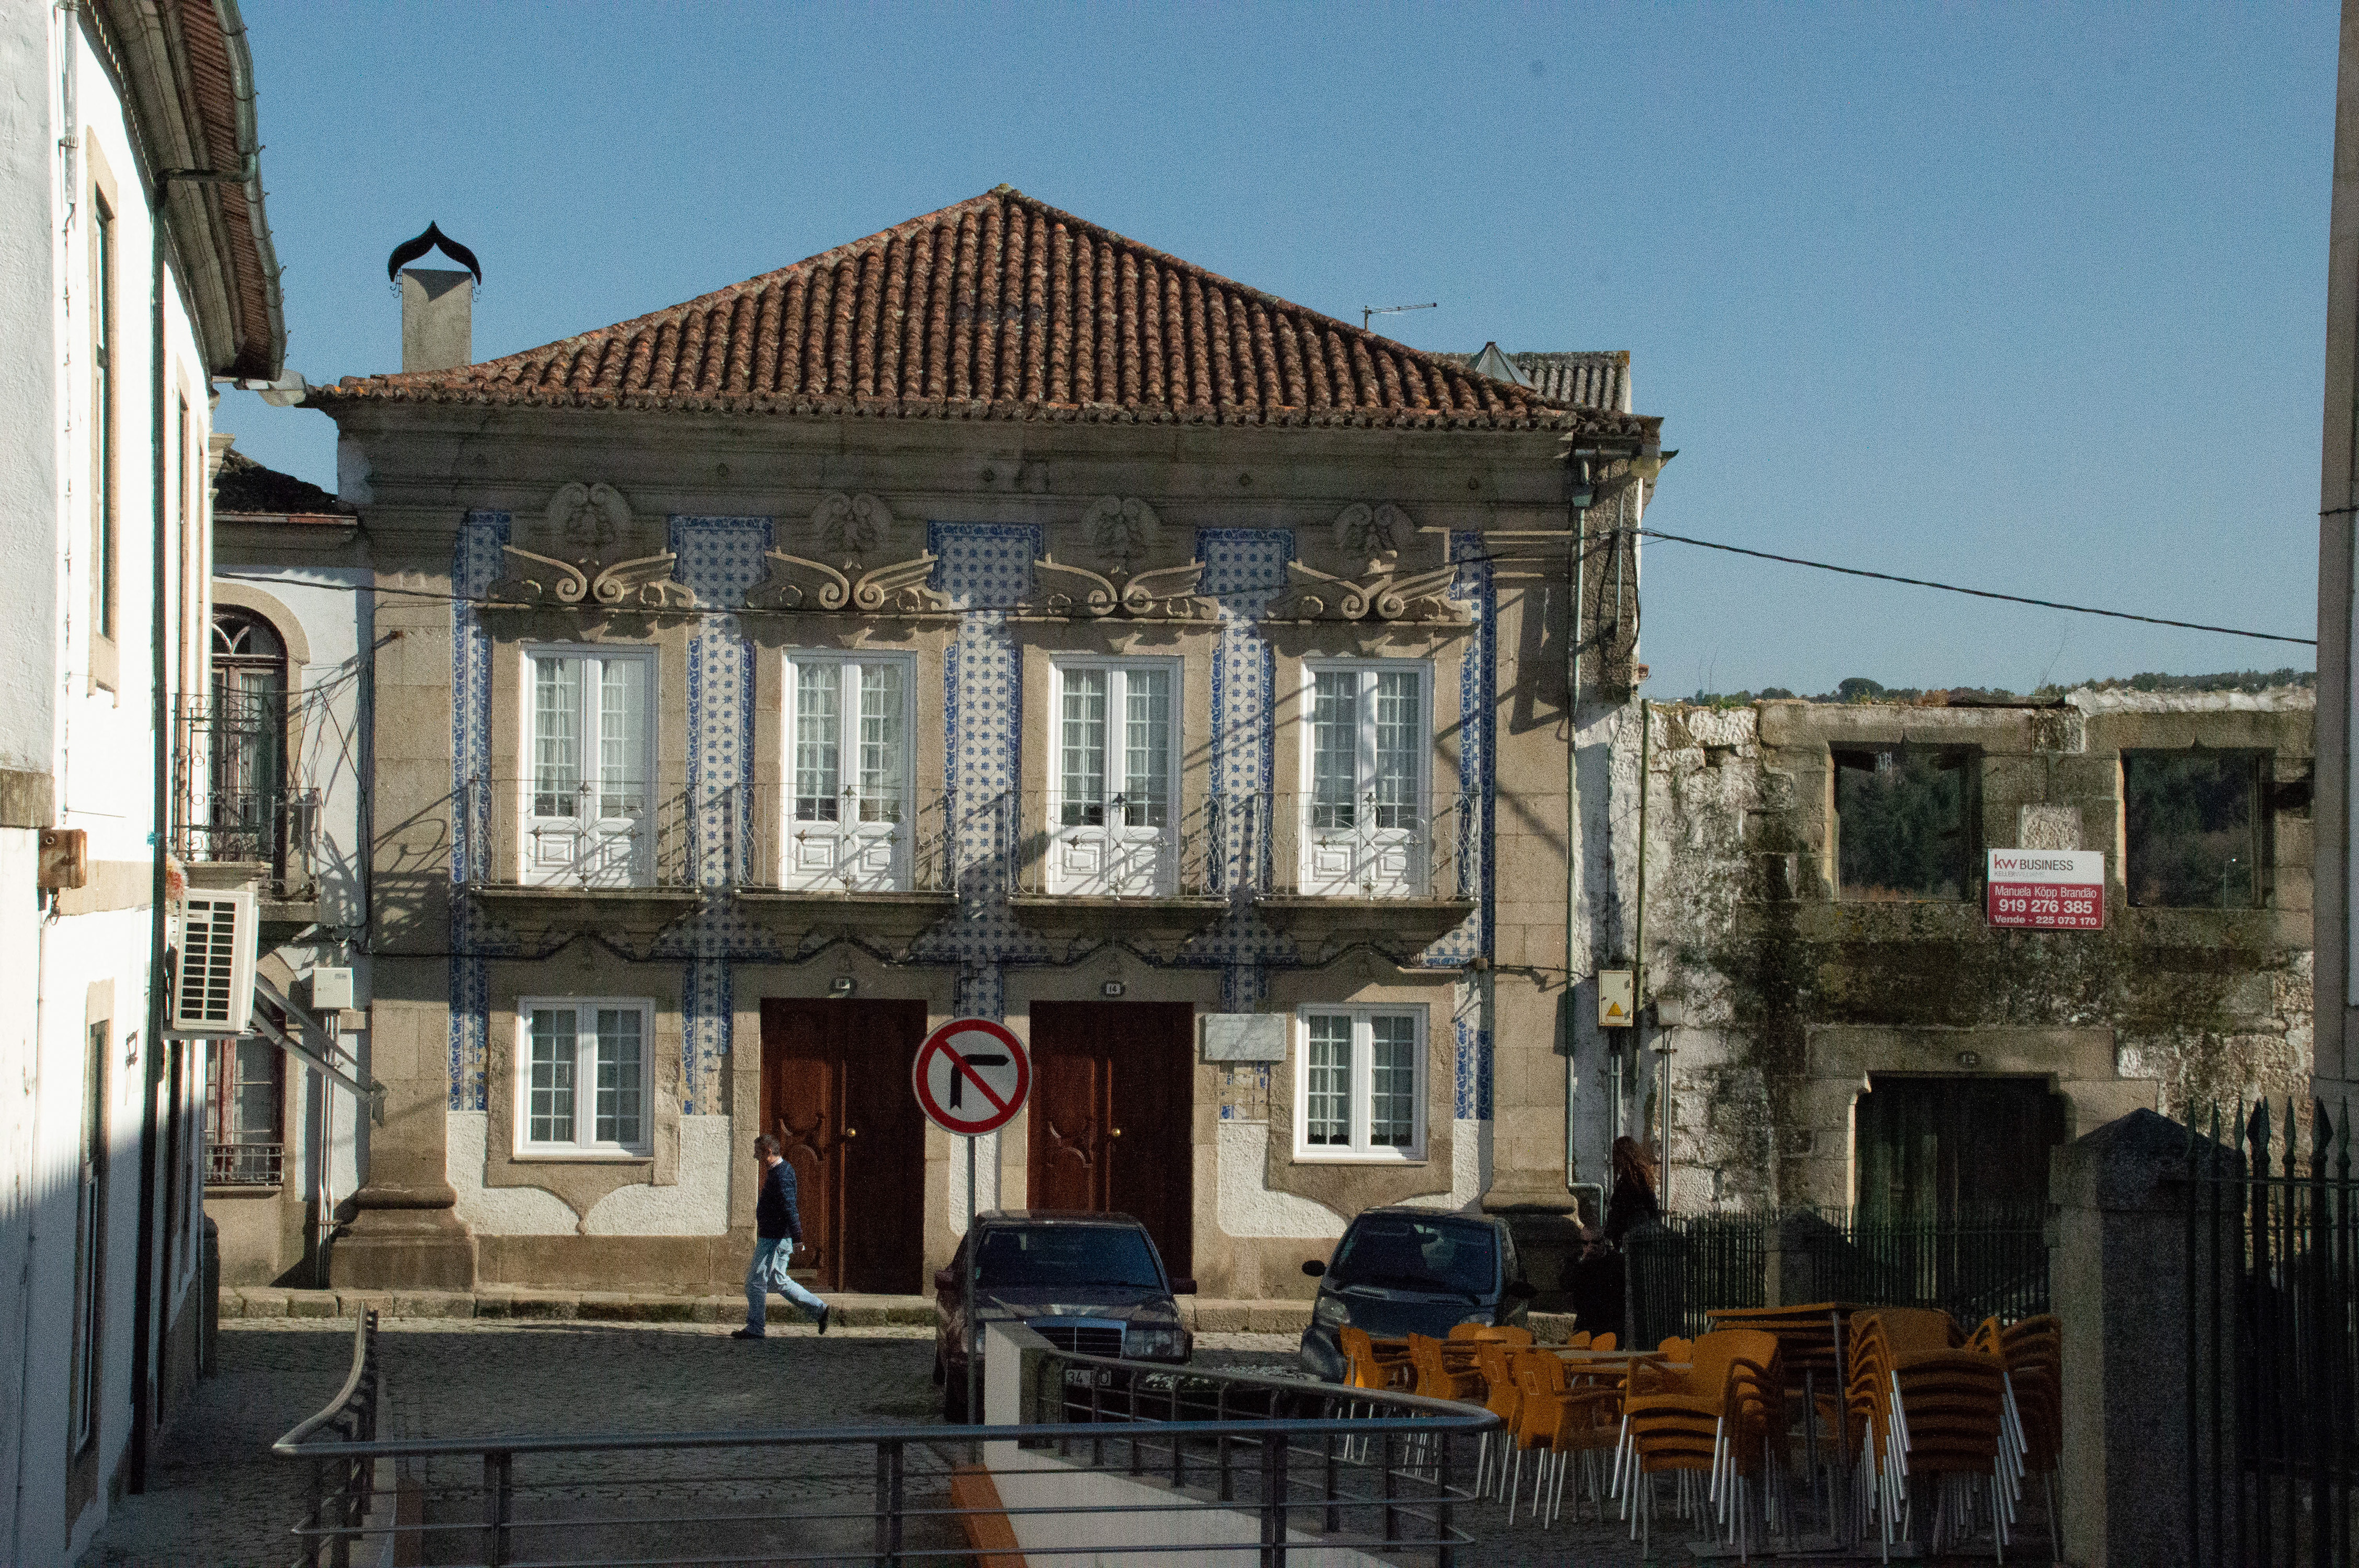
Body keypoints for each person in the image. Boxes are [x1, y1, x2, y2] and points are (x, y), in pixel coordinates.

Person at [733, 1134, 830, 1339]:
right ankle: (819, 1309)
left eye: (758, 1153)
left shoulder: (782, 1173)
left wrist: (798, 1238)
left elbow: (790, 1207)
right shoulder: (778, 1171)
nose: (755, 1157)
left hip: (774, 1239)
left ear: (768, 1152)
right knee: (779, 1281)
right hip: (776, 1237)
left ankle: (755, 1328)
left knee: (755, 1283)